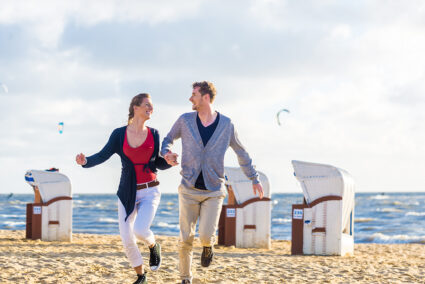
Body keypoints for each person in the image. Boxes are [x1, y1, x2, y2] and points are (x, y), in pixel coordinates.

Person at [161, 81, 264, 284]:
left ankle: (208, 247)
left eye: (194, 94)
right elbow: (167, 140)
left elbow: (241, 152)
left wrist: (254, 178)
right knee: (185, 238)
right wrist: (167, 154)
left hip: (214, 190)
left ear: (205, 97)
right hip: (188, 188)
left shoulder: (226, 125)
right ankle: (185, 278)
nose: (190, 98)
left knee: (206, 235)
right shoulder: (185, 120)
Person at [76, 93, 172, 284]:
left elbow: (157, 163)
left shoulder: (154, 134)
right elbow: (103, 155)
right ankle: (141, 276)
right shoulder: (119, 134)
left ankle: (153, 245)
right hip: (127, 192)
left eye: (152, 106)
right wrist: (85, 161)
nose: (151, 109)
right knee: (127, 237)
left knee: (140, 229)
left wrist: (169, 162)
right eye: (147, 105)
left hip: (150, 190)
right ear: (135, 107)